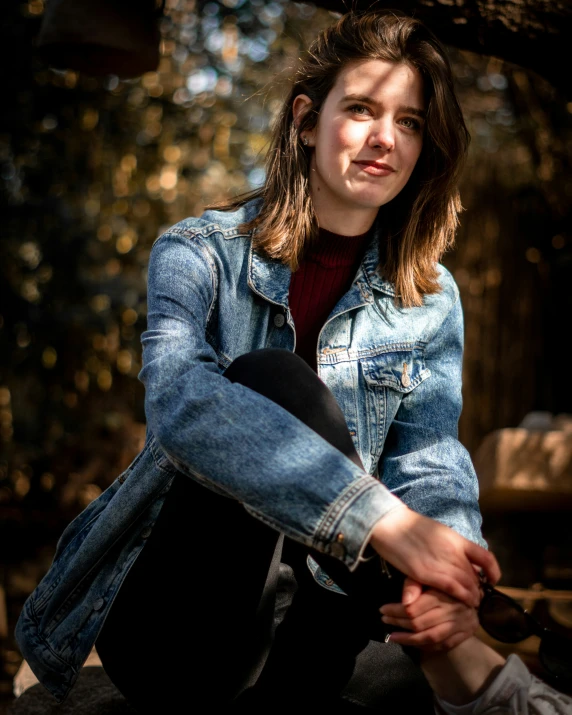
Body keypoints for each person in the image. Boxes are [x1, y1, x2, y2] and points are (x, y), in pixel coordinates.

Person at [15, 9, 572, 714]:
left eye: (409, 122)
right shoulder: (199, 253)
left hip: (318, 634)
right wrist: (386, 525)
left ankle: (456, 657)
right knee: (274, 384)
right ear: (307, 120)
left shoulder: (429, 295)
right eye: (364, 110)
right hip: (180, 637)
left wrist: (449, 571)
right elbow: (181, 404)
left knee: (409, 612)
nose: (384, 139)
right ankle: (480, 682)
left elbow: (429, 455)